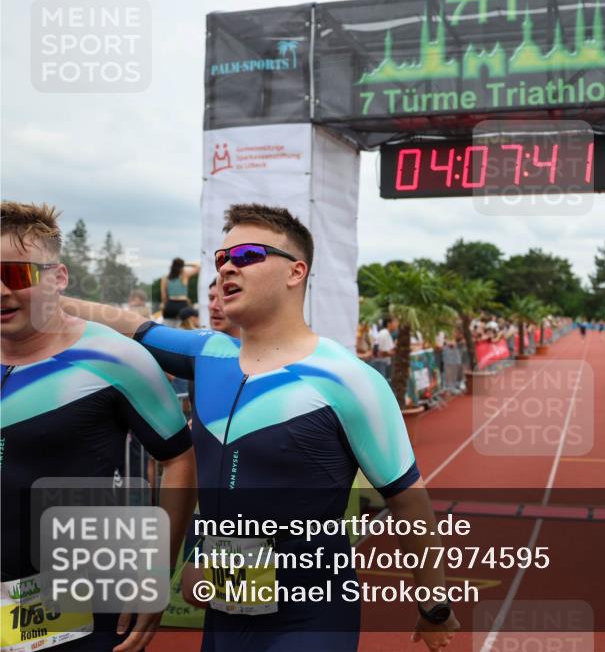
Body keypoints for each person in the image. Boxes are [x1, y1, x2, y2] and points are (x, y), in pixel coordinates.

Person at [61, 204, 459, 652]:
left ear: (296, 272)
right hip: (224, 616)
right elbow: (131, 325)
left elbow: (410, 501)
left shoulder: (350, 380)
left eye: (247, 255)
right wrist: (40, 297)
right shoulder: (209, 354)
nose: (228, 265)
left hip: (310, 618)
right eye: (220, 259)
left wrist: (434, 607)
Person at [0, 201, 197, 652]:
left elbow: (179, 457)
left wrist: (156, 570)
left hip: (72, 603)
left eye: (15, 275)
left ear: (58, 278)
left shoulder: (116, 358)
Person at [160, 257, 199, 325]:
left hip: (170, 305)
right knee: (185, 328)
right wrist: (185, 264)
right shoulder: (185, 275)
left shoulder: (166, 278)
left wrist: (166, 306)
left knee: (169, 328)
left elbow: (164, 297)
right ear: (182, 266)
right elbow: (198, 267)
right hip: (182, 305)